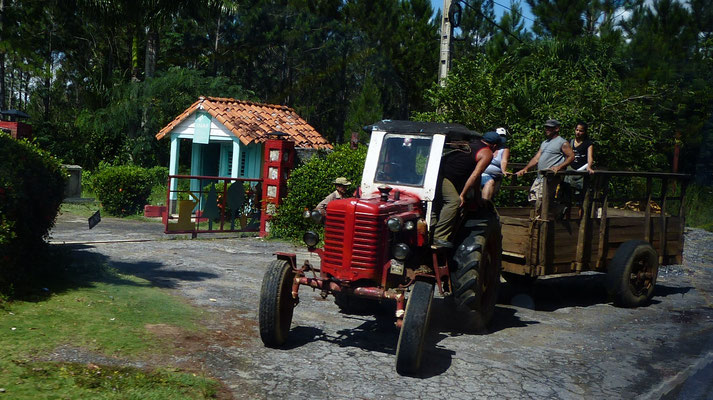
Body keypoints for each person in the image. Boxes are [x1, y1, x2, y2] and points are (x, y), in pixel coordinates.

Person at [432, 131, 504, 248]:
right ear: (494, 146)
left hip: (438, 173)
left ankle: (432, 228)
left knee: (439, 202)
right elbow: (474, 175)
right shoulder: (487, 153)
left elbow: (477, 177)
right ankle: (439, 237)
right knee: (454, 201)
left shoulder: (472, 144)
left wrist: (477, 196)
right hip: (444, 176)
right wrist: (462, 195)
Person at [515, 119, 574, 205]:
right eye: (546, 127)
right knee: (533, 198)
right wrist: (526, 169)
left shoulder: (562, 142)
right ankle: (557, 210)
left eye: (549, 128)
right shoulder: (545, 143)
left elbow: (571, 156)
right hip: (540, 177)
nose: (547, 129)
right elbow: (536, 158)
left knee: (542, 200)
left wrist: (559, 167)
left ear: (556, 129)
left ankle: (544, 216)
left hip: (550, 177)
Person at [481, 127, 510, 201]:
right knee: (489, 182)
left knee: (492, 195)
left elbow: (504, 160)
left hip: (496, 175)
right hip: (484, 173)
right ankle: (484, 205)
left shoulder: (504, 149)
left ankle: (487, 206)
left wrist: (504, 171)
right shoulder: (486, 146)